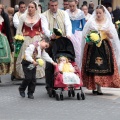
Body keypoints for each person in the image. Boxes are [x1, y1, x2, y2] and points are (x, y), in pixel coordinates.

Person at [81, 5, 120, 95]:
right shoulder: (91, 22)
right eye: (97, 13)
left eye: (100, 13)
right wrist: (90, 38)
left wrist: (107, 33)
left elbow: (112, 36)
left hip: (104, 46)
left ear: (103, 13)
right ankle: (94, 86)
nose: (98, 15)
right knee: (92, 66)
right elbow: (85, 34)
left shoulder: (107, 23)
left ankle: (99, 87)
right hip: (92, 47)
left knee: (103, 65)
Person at [41, 0, 72, 91]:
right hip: (50, 42)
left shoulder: (63, 13)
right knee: (50, 63)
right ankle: (49, 86)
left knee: (62, 61)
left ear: (58, 5)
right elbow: (44, 28)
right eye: (52, 5)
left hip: (62, 41)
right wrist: (51, 35)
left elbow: (68, 24)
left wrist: (69, 34)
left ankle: (62, 82)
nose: (54, 7)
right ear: (49, 5)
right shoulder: (44, 15)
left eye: (55, 5)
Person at [15, 1, 45, 79]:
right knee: (26, 56)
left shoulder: (39, 17)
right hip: (26, 39)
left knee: (36, 56)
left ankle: (35, 74)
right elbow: (19, 30)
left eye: (32, 7)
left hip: (36, 39)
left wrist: (42, 37)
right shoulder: (23, 17)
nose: (30, 9)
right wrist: (19, 38)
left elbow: (42, 29)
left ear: (35, 8)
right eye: (29, 7)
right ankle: (26, 73)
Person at [66, 0, 85, 69]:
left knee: (78, 53)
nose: (72, 7)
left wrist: (80, 31)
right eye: (70, 6)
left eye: (73, 6)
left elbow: (84, 26)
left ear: (76, 4)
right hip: (68, 34)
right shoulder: (66, 13)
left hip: (77, 34)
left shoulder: (80, 13)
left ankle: (78, 69)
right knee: (68, 52)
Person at [0, 4, 14, 75]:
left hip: (2, 38)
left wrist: (10, 40)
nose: (0, 10)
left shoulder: (3, 17)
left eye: (1, 9)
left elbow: (7, 29)